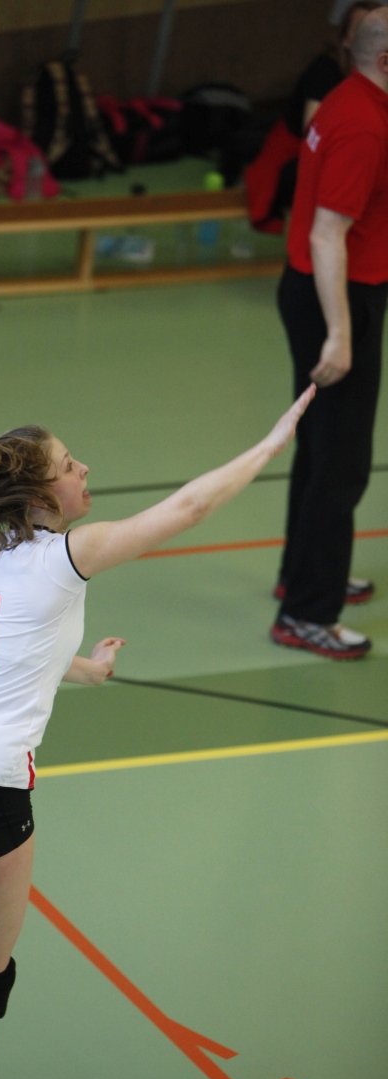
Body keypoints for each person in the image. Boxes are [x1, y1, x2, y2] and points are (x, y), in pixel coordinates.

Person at [0, 385, 313, 1079]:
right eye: (69, 464)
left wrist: (89, 669)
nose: (85, 470)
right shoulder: (67, 553)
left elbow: (14, 652)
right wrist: (271, 445)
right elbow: (188, 508)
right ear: (42, 493)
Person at [271, 6, 388, 660]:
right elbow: (326, 234)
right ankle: (307, 614)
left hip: (317, 291)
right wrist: (340, 334)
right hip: (335, 300)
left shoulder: (351, 98)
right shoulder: (363, 124)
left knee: (320, 450)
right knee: (341, 464)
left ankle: (302, 575)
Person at [243, 0, 380, 232]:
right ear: (345, 40)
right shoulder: (326, 69)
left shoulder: (378, 75)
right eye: (360, 30)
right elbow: (314, 135)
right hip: (301, 157)